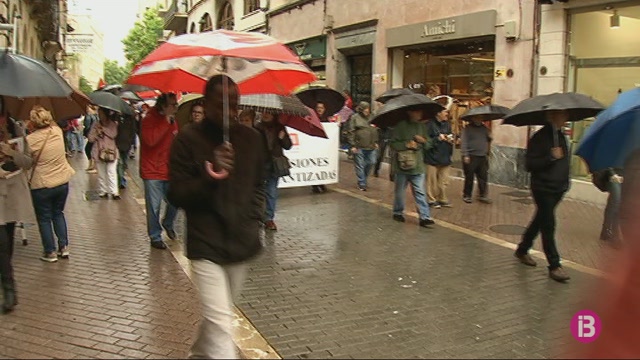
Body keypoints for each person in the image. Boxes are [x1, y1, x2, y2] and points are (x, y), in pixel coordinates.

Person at [167, 75, 266, 359]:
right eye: (220, 104)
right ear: (205, 103)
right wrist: (211, 177)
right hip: (205, 244)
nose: (229, 112)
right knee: (222, 321)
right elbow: (176, 194)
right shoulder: (187, 139)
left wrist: (254, 217)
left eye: (234, 104)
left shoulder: (252, 138)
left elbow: (259, 184)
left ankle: (198, 354)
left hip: (241, 243)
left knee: (219, 315)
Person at [514, 110, 571, 283]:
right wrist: (550, 157)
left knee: (541, 219)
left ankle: (523, 249)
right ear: (552, 117)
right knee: (548, 224)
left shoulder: (561, 137)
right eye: (562, 115)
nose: (565, 118)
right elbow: (530, 164)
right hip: (543, 188)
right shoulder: (539, 137)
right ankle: (554, 264)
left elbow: (564, 161)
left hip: (558, 188)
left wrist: (565, 182)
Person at [25, 106, 75, 263]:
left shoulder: (30, 140)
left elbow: (26, 163)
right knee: (58, 213)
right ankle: (64, 247)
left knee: (44, 218)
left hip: (42, 184)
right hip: (62, 181)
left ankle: (50, 251)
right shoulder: (57, 132)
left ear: (32, 123)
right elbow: (53, 122)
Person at [0, 103, 35, 313]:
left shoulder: (17, 129)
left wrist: (10, 153)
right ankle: (9, 288)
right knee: (1, 243)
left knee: (8, 241)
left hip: (13, 193)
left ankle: (6, 279)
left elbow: (28, 162)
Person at [140, 93, 179, 249]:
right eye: (173, 104)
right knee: (154, 206)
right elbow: (150, 141)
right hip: (152, 171)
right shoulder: (149, 120)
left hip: (169, 169)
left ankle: (168, 222)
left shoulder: (173, 121)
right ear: (164, 106)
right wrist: (164, 123)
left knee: (175, 200)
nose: (176, 107)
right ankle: (155, 236)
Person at [390, 108, 435, 228]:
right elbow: (393, 143)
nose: (419, 114)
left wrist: (423, 141)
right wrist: (406, 144)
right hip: (402, 166)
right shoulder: (400, 126)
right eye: (417, 111)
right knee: (400, 192)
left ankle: (424, 216)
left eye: (420, 112)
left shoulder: (422, 127)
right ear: (409, 112)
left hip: (418, 166)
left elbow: (429, 144)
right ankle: (397, 212)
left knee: (420, 191)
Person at [255, 111, 292, 231]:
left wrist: (282, 138)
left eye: (269, 113)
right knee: (259, 191)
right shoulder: (257, 127)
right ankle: (259, 215)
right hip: (260, 163)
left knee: (271, 191)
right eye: (264, 112)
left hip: (274, 165)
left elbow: (288, 145)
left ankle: (268, 218)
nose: (265, 115)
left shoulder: (280, 127)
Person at [425, 108, 454, 209]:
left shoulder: (447, 124)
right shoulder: (429, 124)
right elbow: (426, 141)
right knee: (431, 181)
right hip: (432, 157)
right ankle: (431, 200)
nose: (447, 113)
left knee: (444, 181)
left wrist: (451, 139)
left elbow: (450, 135)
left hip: (445, 156)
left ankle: (442, 198)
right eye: (445, 112)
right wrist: (437, 139)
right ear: (438, 113)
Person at [88, 108, 120, 200]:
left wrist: (103, 129)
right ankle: (103, 191)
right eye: (99, 114)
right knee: (101, 173)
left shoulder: (113, 124)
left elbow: (113, 134)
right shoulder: (95, 124)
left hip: (111, 151)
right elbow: (90, 138)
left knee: (111, 172)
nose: (100, 115)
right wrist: (96, 134)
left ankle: (114, 192)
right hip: (98, 151)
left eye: (101, 113)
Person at [346, 102, 378, 191]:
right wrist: (352, 145)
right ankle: (362, 183)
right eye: (365, 109)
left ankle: (363, 177)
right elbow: (351, 131)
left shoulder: (372, 117)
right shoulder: (355, 118)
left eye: (368, 108)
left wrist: (375, 141)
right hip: (359, 146)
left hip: (371, 145)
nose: (367, 110)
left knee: (372, 162)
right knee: (360, 165)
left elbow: (374, 130)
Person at [461, 116, 493, 204]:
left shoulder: (484, 129)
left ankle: (482, 195)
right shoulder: (467, 129)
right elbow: (464, 142)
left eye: (481, 118)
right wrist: (465, 155)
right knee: (469, 177)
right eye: (478, 118)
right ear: (473, 119)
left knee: (483, 177)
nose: (480, 120)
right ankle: (467, 195)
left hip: (482, 156)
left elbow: (489, 139)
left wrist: (490, 136)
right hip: (471, 156)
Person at [592, 167, 623, 243]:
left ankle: (609, 231)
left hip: (625, 175)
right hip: (609, 175)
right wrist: (613, 174)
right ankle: (610, 230)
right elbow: (608, 163)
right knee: (616, 198)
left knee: (618, 202)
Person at [115, 112, 137, 190]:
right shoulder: (115, 117)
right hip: (117, 144)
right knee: (119, 163)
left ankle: (121, 178)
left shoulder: (130, 118)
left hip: (126, 144)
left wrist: (132, 142)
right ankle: (121, 181)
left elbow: (133, 131)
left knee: (124, 162)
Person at [312, 102, 329, 194]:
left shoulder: (327, 119)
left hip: (323, 147)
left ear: (324, 109)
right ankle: (315, 185)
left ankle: (321, 183)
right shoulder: (312, 118)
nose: (320, 109)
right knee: (315, 164)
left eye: (321, 108)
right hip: (314, 146)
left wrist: (336, 125)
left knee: (322, 164)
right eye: (318, 107)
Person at [83, 105, 99, 173]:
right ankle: (92, 165)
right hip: (95, 135)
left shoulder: (89, 116)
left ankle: (93, 166)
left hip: (92, 135)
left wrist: (85, 133)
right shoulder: (96, 115)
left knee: (88, 149)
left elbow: (87, 126)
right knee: (91, 149)